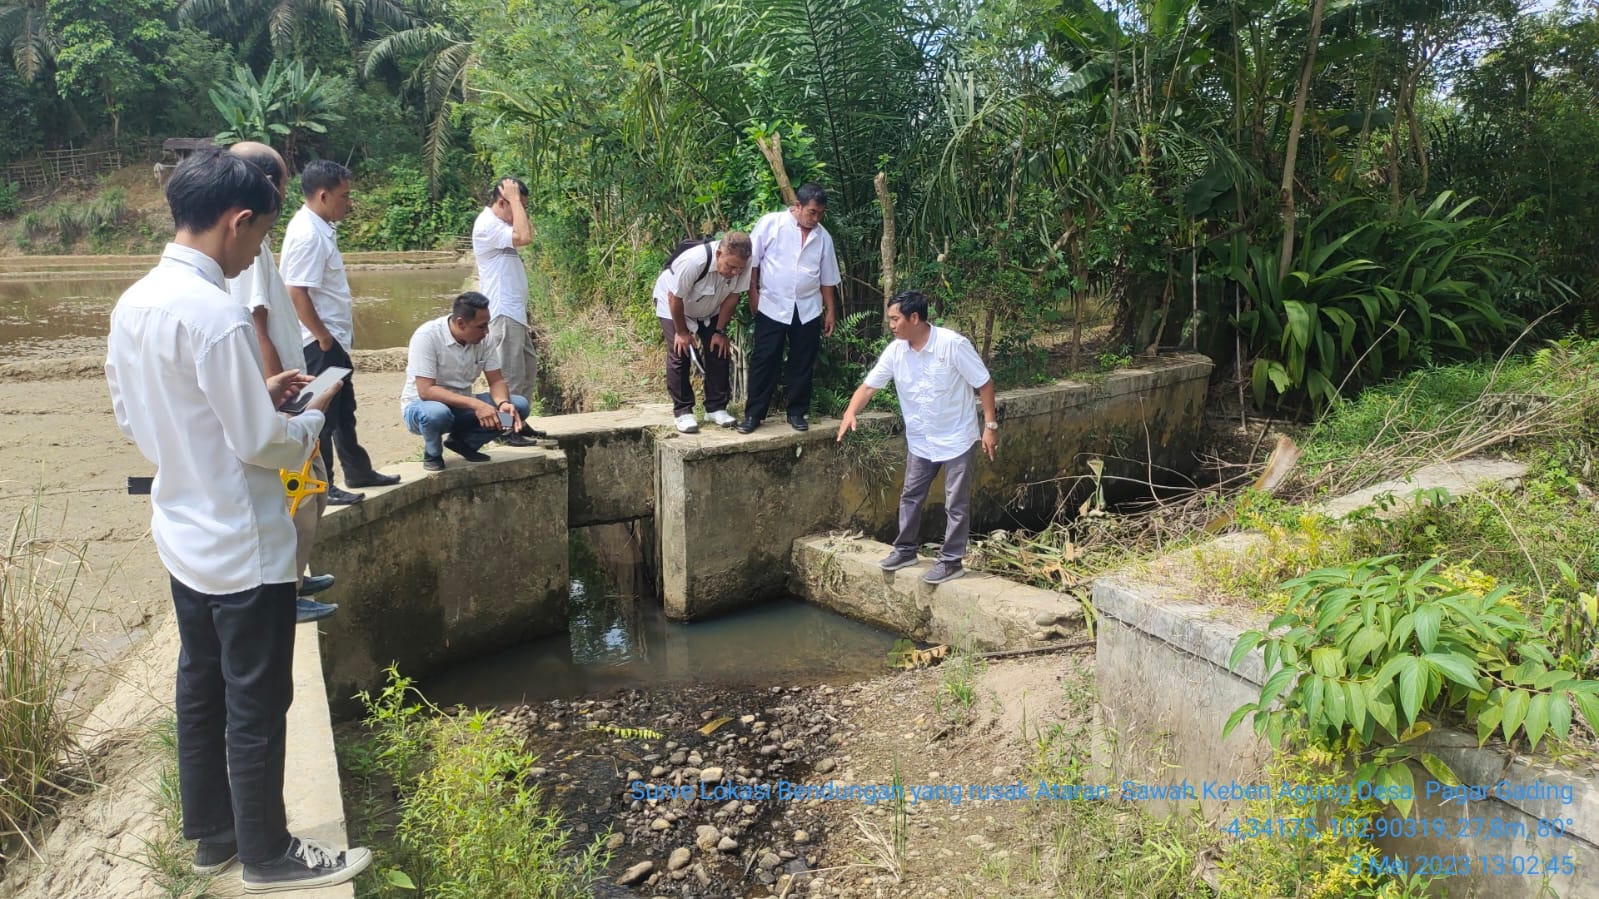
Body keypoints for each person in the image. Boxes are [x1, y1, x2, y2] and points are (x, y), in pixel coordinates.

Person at [105, 148, 371, 892]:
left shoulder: (134, 303)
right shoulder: (215, 314)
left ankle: (213, 834)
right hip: (243, 539)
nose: (256, 254)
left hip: (184, 530)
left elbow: (135, 417)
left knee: (201, 686)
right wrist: (307, 415)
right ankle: (268, 852)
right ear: (238, 220)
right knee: (257, 697)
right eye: (257, 240)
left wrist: (256, 398)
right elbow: (260, 444)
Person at [226, 142, 338, 625]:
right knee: (295, 499)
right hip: (279, 396)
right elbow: (258, 321)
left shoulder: (260, 241)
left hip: (282, 389)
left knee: (311, 491)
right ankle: (287, 592)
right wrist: (280, 387)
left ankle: (296, 577)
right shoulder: (247, 247)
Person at [836, 290, 999, 585]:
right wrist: (850, 412)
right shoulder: (896, 351)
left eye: (895, 319)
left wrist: (990, 426)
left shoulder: (952, 345)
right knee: (911, 495)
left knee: (955, 502)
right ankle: (905, 549)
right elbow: (870, 387)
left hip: (956, 437)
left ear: (915, 317)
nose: (892, 325)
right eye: (890, 320)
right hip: (921, 439)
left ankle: (951, 561)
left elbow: (984, 383)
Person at [280, 159, 400, 503]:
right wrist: (323, 336)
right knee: (323, 413)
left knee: (344, 408)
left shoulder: (316, 227)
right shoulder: (308, 235)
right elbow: (296, 290)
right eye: (344, 196)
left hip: (330, 338)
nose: (349, 203)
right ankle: (324, 484)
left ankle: (357, 470)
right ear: (322, 196)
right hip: (318, 343)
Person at [736, 183, 841, 434]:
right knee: (765, 359)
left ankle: (797, 412)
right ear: (798, 206)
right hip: (772, 303)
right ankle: (754, 415)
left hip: (807, 307)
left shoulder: (823, 237)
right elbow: (753, 262)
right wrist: (753, 293)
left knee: (802, 361)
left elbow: (827, 278)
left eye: (820, 213)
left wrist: (830, 311)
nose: (816, 218)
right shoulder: (772, 224)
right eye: (812, 212)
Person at [401, 291, 535, 471]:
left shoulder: (484, 340)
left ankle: (464, 442)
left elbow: (496, 381)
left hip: (462, 408)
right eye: (481, 326)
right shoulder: (427, 336)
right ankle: (432, 453)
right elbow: (426, 391)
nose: (486, 331)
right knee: (436, 413)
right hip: (422, 409)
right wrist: (477, 405)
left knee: (518, 407)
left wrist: (502, 403)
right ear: (460, 324)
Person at [653, 233, 752, 432]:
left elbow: (733, 297)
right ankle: (683, 411)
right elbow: (674, 297)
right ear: (718, 254)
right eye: (730, 267)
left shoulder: (746, 263)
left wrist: (719, 331)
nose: (735, 272)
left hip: (711, 307)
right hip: (673, 305)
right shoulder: (694, 262)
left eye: (739, 268)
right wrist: (682, 332)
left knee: (719, 348)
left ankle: (715, 407)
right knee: (680, 352)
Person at [472, 176, 540, 408]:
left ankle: (519, 420)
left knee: (526, 369)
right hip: (503, 312)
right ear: (502, 203)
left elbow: (523, 232)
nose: (522, 212)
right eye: (519, 206)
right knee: (509, 377)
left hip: (514, 313)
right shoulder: (487, 225)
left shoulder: (500, 225)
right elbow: (525, 236)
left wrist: (516, 202)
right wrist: (513, 198)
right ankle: (507, 426)